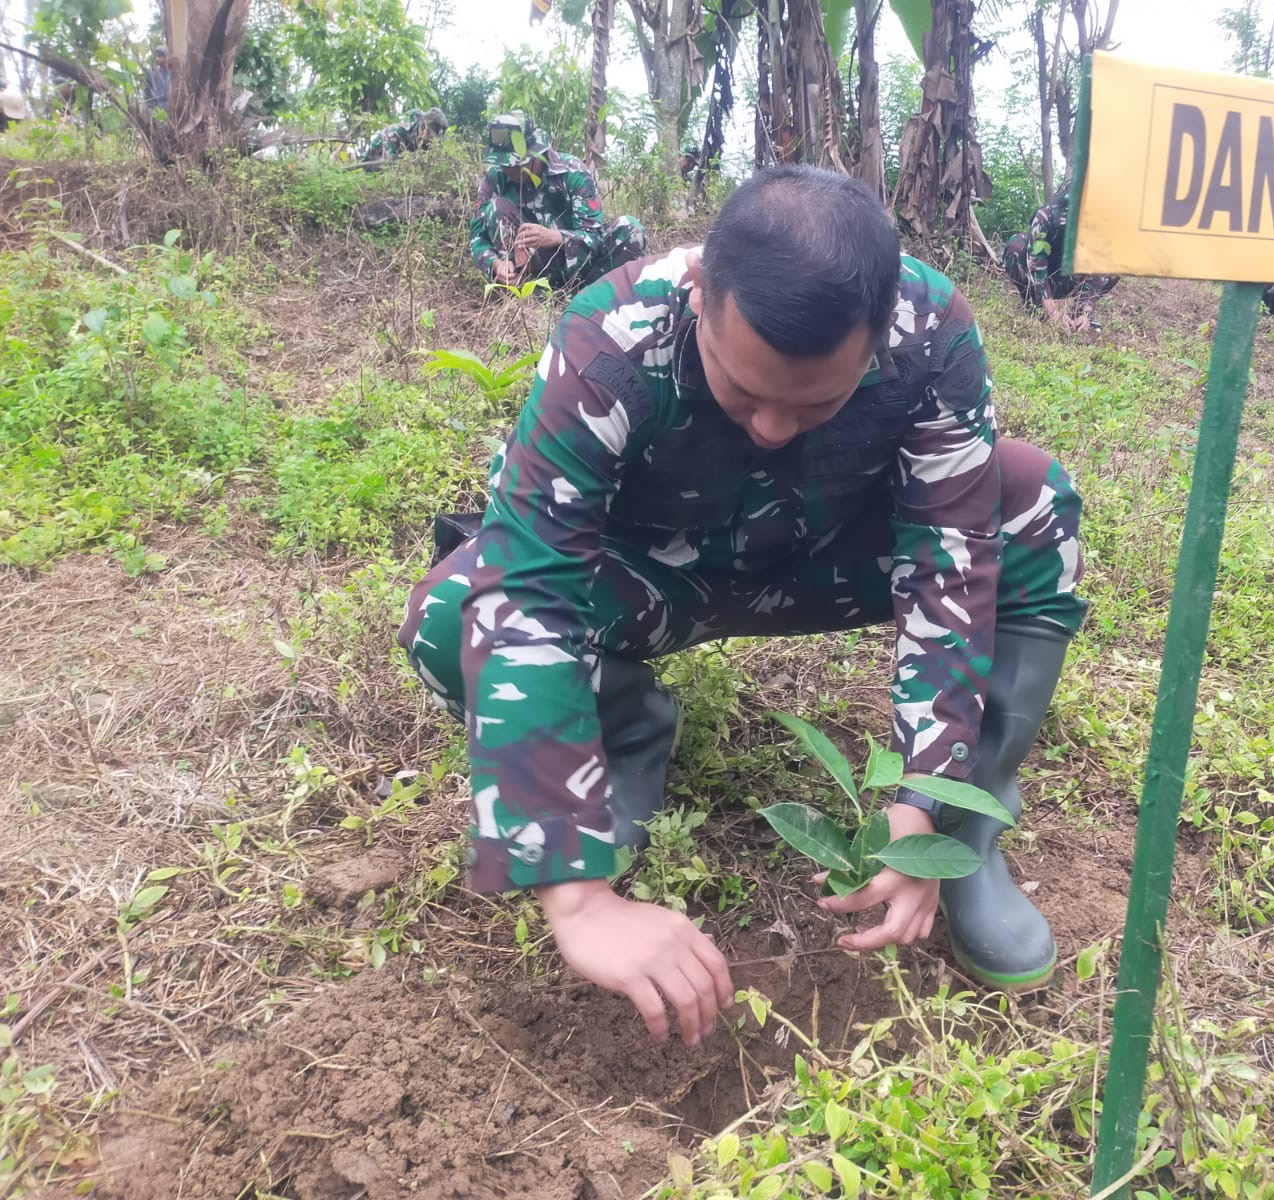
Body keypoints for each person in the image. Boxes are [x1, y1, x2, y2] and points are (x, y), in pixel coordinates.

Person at [402, 166, 1088, 1045]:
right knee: (455, 609)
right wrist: (577, 898)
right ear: (697, 294)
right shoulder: (608, 337)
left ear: (879, 337)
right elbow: (531, 584)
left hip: (829, 563)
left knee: (1029, 494)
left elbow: (947, 568)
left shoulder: (932, 330)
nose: (769, 425)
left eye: (813, 401)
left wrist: (923, 814)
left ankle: (971, 843)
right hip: (653, 577)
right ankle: (627, 729)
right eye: (742, 387)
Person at [468, 126, 646, 290]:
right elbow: (477, 237)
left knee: (630, 228)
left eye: (514, 164)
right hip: (534, 273)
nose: (507, 170)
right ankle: (525, 296)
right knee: (497, 207)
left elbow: (595, 237)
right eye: (503, 164)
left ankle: (607, 295)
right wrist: (495, 263)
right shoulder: (496, 177)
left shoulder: (573, 173)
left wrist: (557, 237)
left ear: (534, 155)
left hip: (583, 267)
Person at [1003, 183, 1117, 332]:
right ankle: (1034, 305)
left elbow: (1098, 270)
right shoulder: (1044, 217)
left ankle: (1075, 318)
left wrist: (1086, 312)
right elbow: (1036, 266)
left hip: (1070, 277)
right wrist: (1052, 311)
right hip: (1044, 277)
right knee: (1015, 245)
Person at [358, 107, 447, 166]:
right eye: (430, 137)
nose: (432, 142)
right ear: (424, 129)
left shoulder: (430, 143)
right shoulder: (395, 133)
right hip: (373, 166)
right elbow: (389, 166)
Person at [141, 45, 171, 113]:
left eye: (160, 56)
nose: (157, 59)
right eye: (157, 56)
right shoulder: (151, 73)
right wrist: (149, 109)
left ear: (167, 57)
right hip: (155, 110)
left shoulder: (173, 73)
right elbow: (147, 95)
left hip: (170, 110)